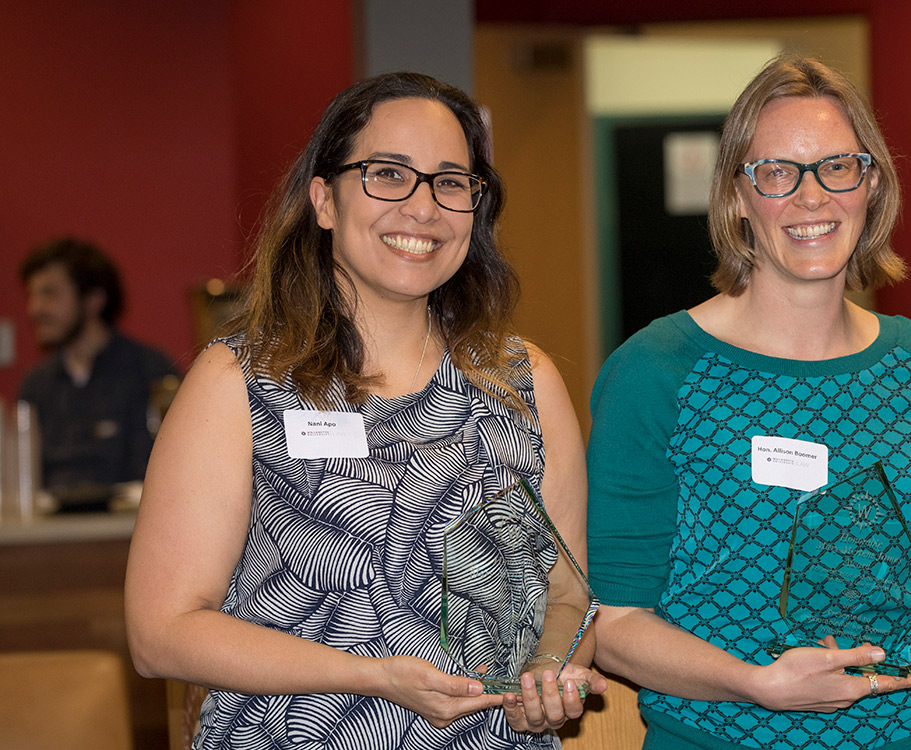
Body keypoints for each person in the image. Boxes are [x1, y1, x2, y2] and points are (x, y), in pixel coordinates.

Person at [125, 72, 604, 749]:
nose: (422, 206)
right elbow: (161, 633)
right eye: (387, 174)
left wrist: (549, 676)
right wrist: (371, 677)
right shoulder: (236, 382)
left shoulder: (523, 381)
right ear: (323, 199)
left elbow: (565, 598)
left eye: (450, 181)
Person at [586, 55, 911, 749]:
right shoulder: (655, 372)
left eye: (836, 167)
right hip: (732, 732)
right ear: (737, 196)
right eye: (777, 172)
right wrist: (755, 682)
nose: (811, 197)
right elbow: (613, 623)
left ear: (869, 184)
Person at [18, 238, 177, 497]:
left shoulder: (150, 371)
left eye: (49, 294)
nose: (34, 309)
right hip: (50, 533)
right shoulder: (36, 384)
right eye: (32, 295)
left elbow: (171, 474)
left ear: (94, 300)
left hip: (128, 529)